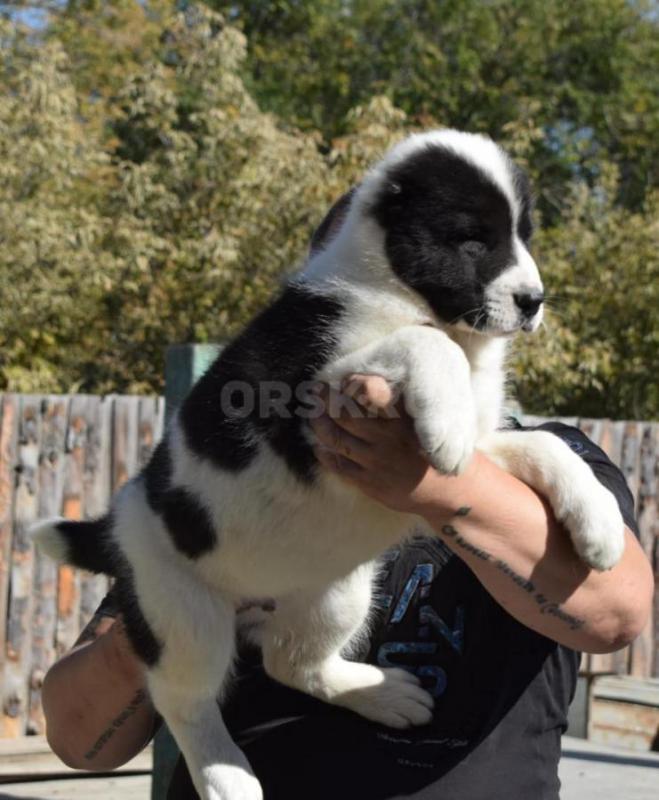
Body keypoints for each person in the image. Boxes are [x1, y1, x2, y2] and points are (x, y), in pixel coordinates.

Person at [42, 195, 653, 798]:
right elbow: (76, 737)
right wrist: (187, 600)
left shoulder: (554, 457)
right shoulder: (237, 457)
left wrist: (438, 484)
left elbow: (616, 613)